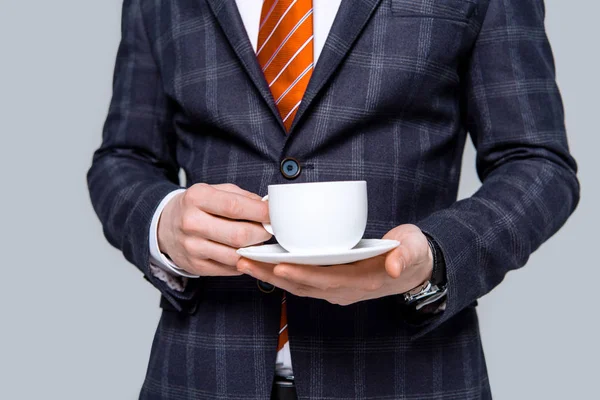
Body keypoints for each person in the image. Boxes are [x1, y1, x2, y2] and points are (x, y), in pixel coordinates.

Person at [87, 0, 580, 398]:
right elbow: (123, 158)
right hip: (198, 375)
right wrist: (162, 222)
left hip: (409, 377)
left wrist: (434, 257)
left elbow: (538, 162)